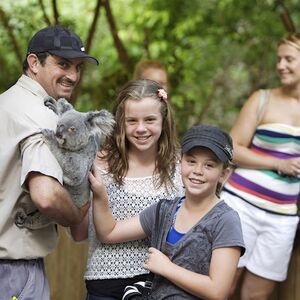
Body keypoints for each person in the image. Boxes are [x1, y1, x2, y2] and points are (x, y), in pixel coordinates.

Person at [89, 124, 245, 299]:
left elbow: (218, 291)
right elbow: (108, 232)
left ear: (224, 174)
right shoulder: (164, 210)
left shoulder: (225, 220)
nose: (197, 171)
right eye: (191, 161)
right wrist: (100, 194)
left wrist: (167, 268)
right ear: (180, 163)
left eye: (209, 165)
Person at [0, 25, 99, 299]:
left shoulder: (5, 104)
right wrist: (76, 214)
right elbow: (46, 196)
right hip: (15, 272)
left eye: (78, 67)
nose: (73, 75)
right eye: (63, 64)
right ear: (34, 62)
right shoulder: (40, 116)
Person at [71, 79, 183, 299]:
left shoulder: (178, 167)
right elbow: (78, 233)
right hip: (104, 281)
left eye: (149, 119)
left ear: (164, 120)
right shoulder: (99, 162)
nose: (140, 128)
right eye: (132, 121)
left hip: (159, 283)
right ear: (121, 122)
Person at [221, 32, 300, 300]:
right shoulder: (263, 98)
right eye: (279, 59)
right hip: (241, 206)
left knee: (257, 296)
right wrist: (278, 163)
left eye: (289, 59)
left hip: (283, 217)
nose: (281, 65)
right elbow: (232, 148)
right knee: (224, 287)